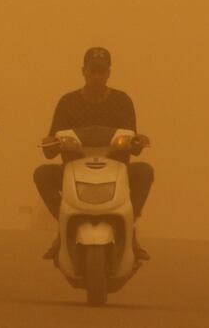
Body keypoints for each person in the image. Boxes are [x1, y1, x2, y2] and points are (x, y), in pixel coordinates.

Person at [34, 47, 154, 260]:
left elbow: (133, 143)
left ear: (109, 72)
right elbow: (50, 148)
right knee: (41, 174)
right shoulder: (67, 102)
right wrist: (50, 142)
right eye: (93, 71)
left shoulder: (122, 101)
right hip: (75, 173)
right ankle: (63, 227)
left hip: (117, 174)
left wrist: (139, 140)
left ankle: (129, 228)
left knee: (145, 171)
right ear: (83, 71)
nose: (97, 76)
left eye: (102, 71)